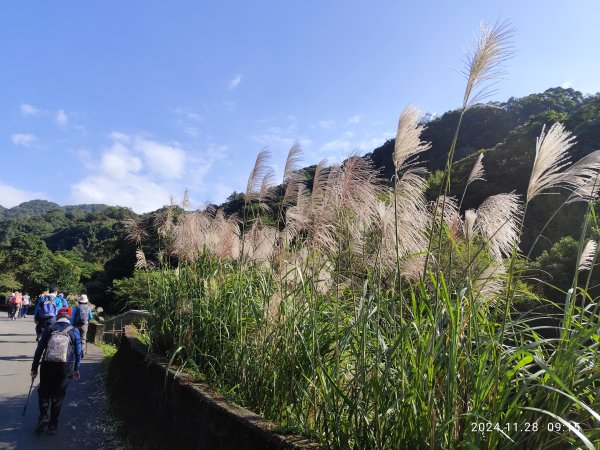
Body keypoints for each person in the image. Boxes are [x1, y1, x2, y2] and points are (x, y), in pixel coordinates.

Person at [31, 307, 81, 435]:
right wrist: (76, 369)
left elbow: (39, 349)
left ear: (58, 316)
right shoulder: (74, 330)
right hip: (66, 367)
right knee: (58, 395)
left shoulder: (50, 328)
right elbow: (78, 352)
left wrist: (34, 368)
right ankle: (53, 425)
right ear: (69, 317)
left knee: (44, 391)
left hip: (48, 364)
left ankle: (43, 417)